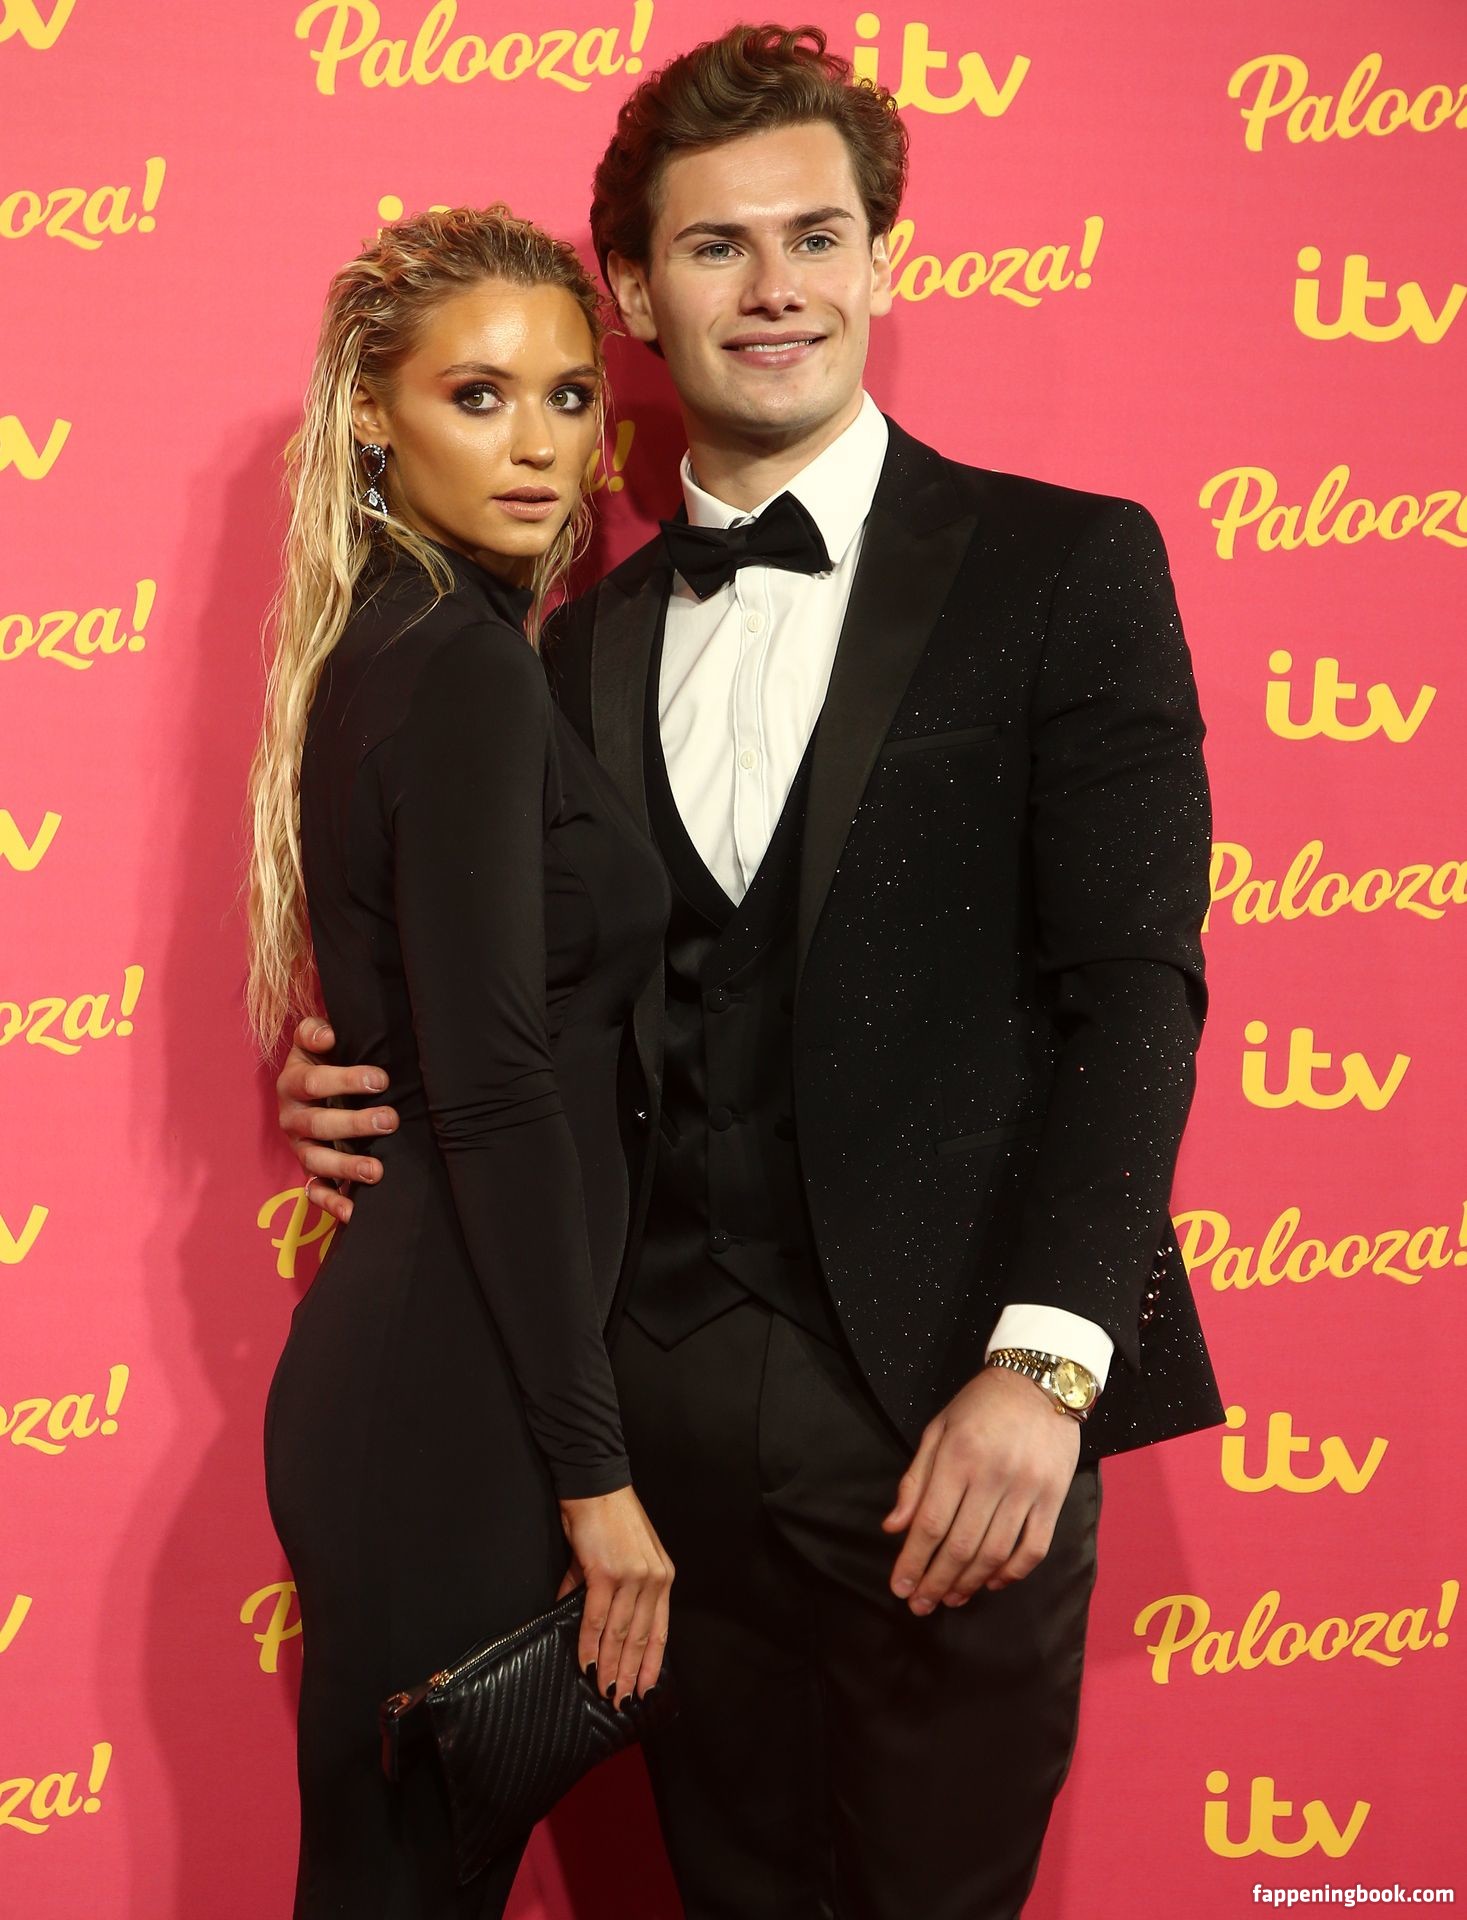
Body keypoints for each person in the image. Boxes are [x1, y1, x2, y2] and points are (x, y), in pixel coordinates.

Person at [275, 27, 1226, 1919]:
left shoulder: (1065, 565)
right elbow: (517, 1007)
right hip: (653, 1444)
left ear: (885, 259)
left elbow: (1136, 993)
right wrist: (359, 1068)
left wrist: (1046, 1368)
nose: (777, 286)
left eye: (817, 236)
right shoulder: (560, 645)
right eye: (718, 247)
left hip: (954, 1431)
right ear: (636, 293)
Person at [245, 204, 674, 1919]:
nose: (541, 445)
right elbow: (494, 1097)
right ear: (373, 413)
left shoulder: (395, 647)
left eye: (569, 397)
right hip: (455, 1393)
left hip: (425, 1371)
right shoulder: (465, 674)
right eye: (477, 397)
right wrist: (598, 1482)